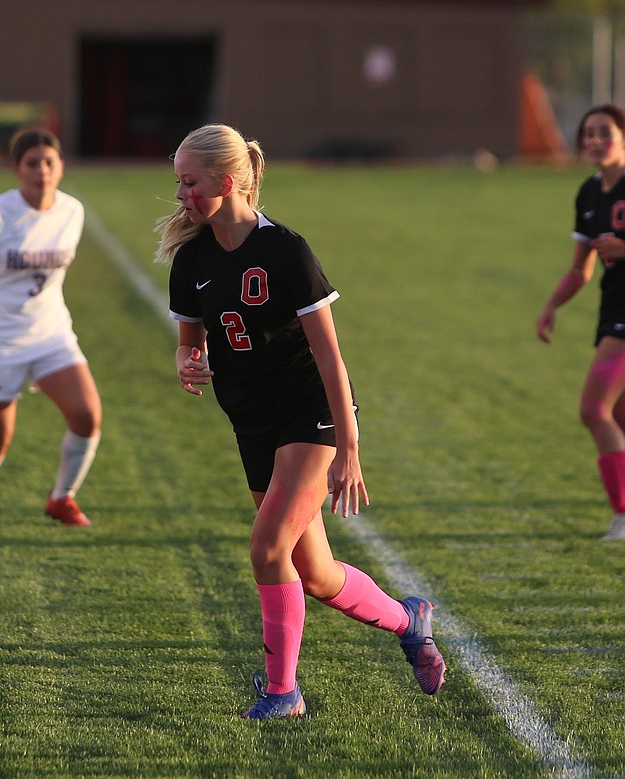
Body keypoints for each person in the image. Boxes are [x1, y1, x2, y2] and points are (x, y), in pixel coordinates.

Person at [156, 123, 445, 719]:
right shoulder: (192, 260)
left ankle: (283, 693)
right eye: (179, 181)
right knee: (313, 571)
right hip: (251, 422)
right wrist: (188, 361)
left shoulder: (286, 250)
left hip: (309, 415)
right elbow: (191, 342)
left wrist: (349, 447)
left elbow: (329, 355)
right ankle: (407, 619)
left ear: (228, 181)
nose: (180, 194)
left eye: (190, 182)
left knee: (266, 549)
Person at [0, 127, 102, 527]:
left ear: (61, 167)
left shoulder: (72, 212)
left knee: (87, 415)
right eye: (32, 164)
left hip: (51, 334)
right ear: (16, 169)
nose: (41, 171)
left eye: (49, 162)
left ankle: (62, 498)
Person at [537, 103, 625, 542]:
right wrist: (552, 306)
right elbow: (580, 270)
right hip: (613, 311)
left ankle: (624, 514)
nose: (595, 141)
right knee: (620, 416)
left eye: (605, 132)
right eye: (588, 133)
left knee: (594, 409)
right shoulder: (589, 195)